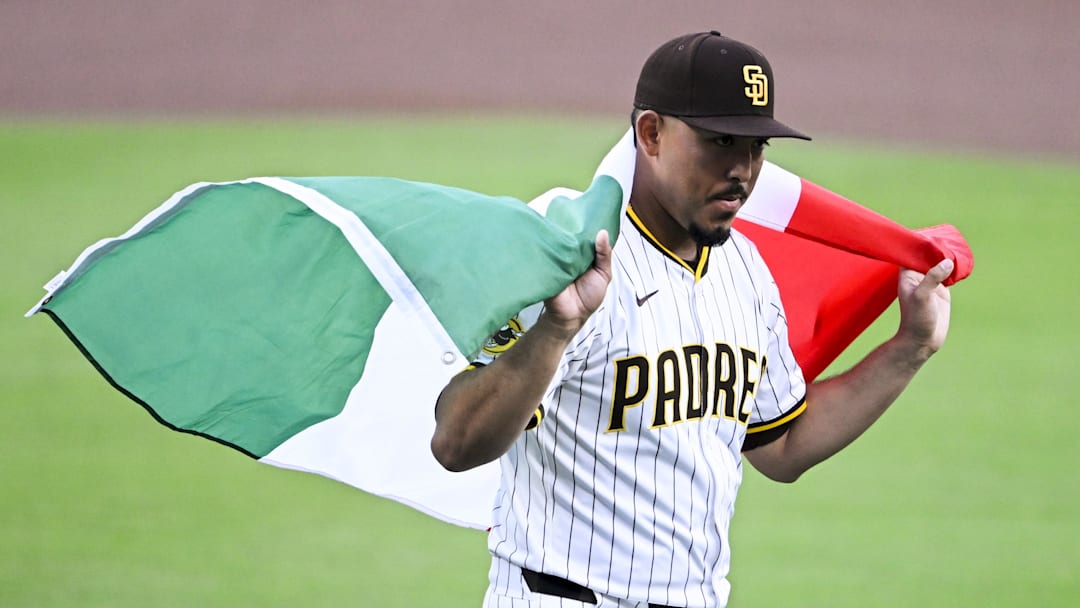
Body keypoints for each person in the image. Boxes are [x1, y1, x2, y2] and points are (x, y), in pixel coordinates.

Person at [431, 31, 953, 608]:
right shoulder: (570, 256)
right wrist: (555, 330)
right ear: (650, 134)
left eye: (757, 147)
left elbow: (781, 446)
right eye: (720, 141)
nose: (743, 169)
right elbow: (456, 443)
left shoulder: (746, 271)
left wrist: (910, 347)